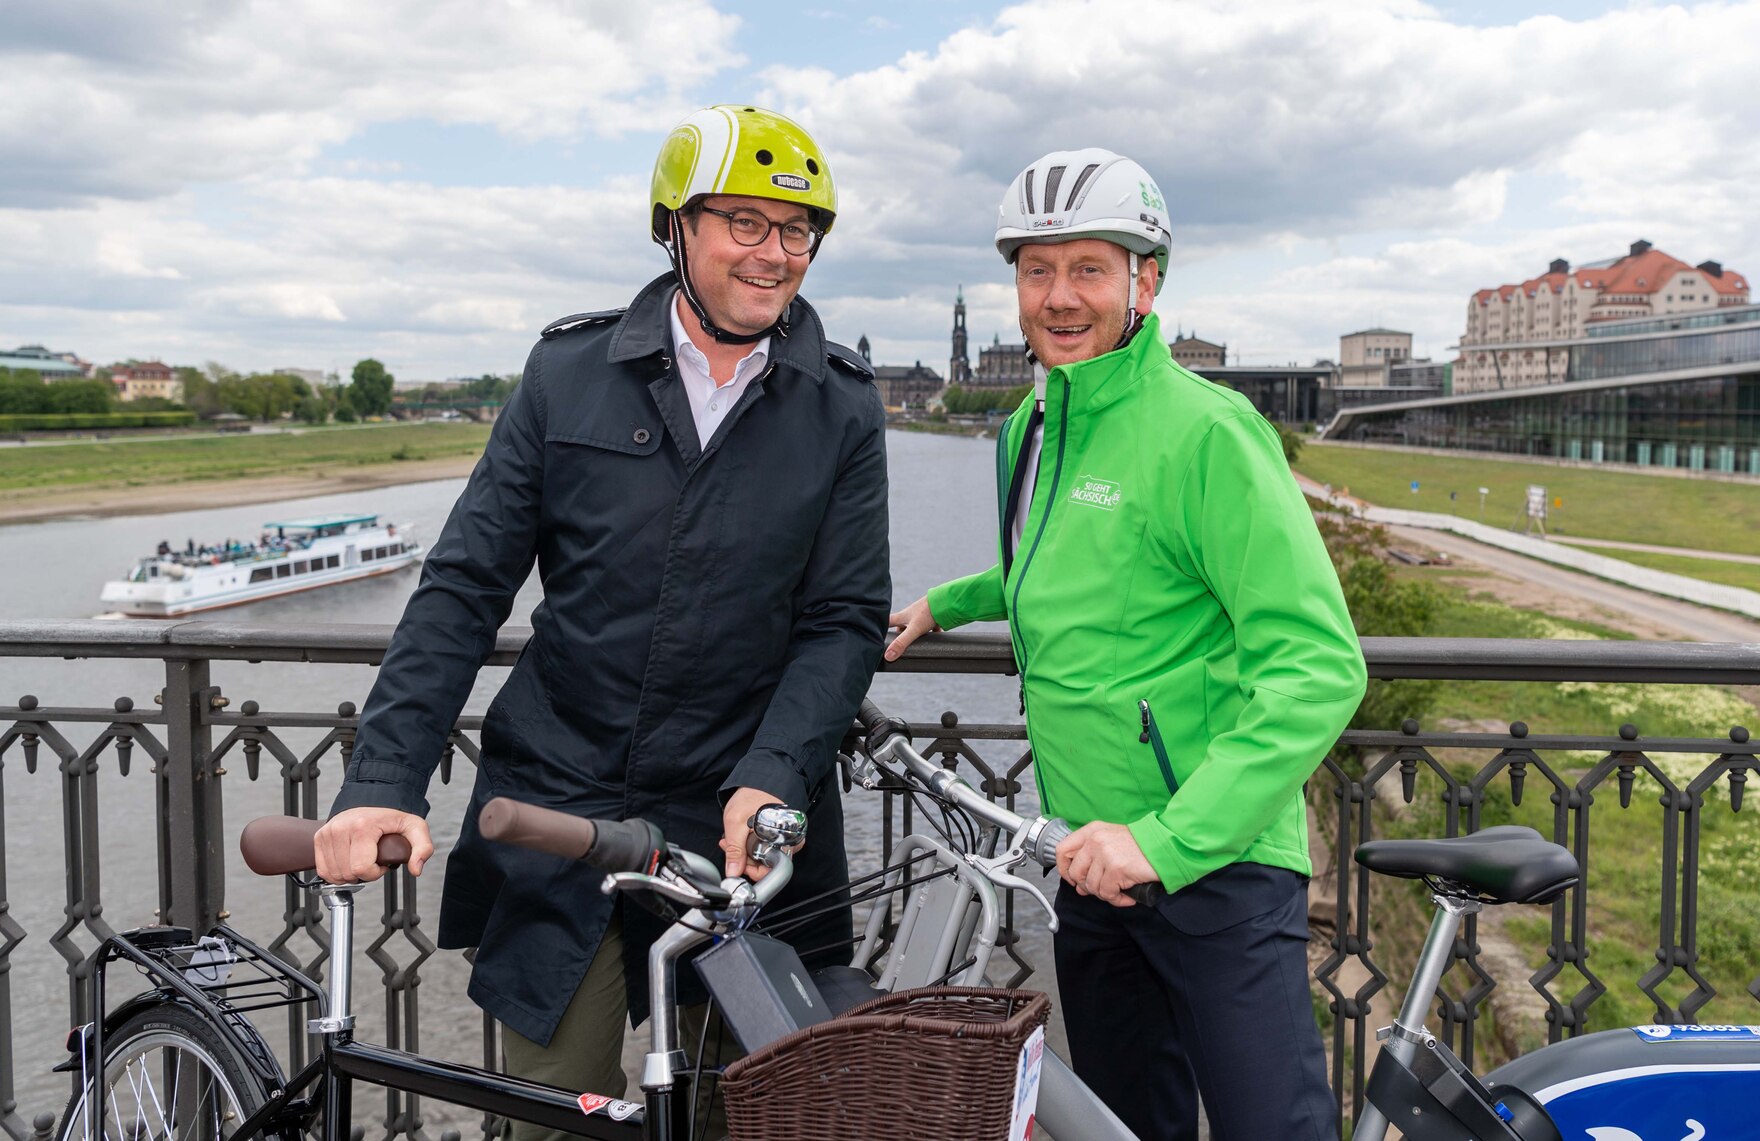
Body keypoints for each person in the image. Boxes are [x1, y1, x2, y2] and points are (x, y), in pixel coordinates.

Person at [314, 104, 890, 1132]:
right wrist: (381, 780)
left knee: (744, 1113)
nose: (773, 253)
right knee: (551, 1111)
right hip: (565, 810)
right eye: (742, 223)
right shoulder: (569, 374)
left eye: (795, 229)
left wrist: (774, 771)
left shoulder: (840, 401)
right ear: (676, 228)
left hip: (739, 819)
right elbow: (461, 586)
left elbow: (844, 616)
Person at [887, 148, 1366, 1141]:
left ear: (1143, 281)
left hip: (1211, 857)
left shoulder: (1208, 434)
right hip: (1083, 859)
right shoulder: (1028, 425)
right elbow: (1059, 566)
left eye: (1088, 269)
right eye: (1035, 270)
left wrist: (1168, 839)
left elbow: (1317, 661)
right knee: (1121, 1128)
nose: (1059, 298)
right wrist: (947, 597)